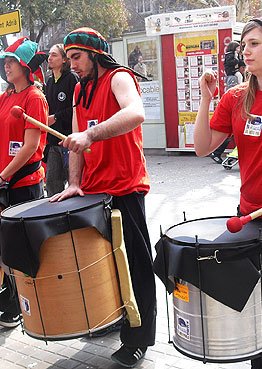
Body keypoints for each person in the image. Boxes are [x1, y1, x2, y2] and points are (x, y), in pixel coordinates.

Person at [50, 27, 156, 368]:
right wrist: (74, 182)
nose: (72, 65)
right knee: (106, 265)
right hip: (95, 192)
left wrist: (91, 134)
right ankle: (113, 318)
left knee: (135, 267)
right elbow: (76, 139)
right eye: (68, 59)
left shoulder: (119, 78)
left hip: (125, 187)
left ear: (94, 54)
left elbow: (136, 113)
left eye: (76, 57)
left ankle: (139, 338)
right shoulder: (81, 89)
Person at [194, 17, 262, 369]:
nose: (246, 51)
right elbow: (201, 147)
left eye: (255, 43)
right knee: (261, 317)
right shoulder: (236, 97)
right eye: (244, 45)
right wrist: (205, 99)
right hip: (250, 219)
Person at [0, 37, 48, 328]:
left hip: (24, 182)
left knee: (20, 246)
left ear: (25, 67)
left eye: (11, 62)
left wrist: (4, 176)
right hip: (4, 181)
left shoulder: (35, 97)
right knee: (4, 245)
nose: (6, 66)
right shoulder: (5, 97)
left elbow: (30, 146)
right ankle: (11, 293)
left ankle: (21, 303)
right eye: (5, 62)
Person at [45, 44, 79, 196]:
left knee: (75, 183)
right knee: (52, 183)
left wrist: (56, 117)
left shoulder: (72, 78)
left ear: (64, 60)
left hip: (69, 141)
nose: (49, 58)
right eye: (49, 55)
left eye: (54, 55)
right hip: (53, 142)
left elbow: (76, 108)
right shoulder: (49, 82)